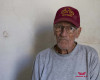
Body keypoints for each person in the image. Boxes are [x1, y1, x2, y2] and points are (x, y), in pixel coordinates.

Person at [32, 6, 100, 80]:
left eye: (70, 28)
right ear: (54, 30)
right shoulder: (42, 58)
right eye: (59, 27)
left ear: (78, 32)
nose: (63, 34)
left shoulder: (90, 56)